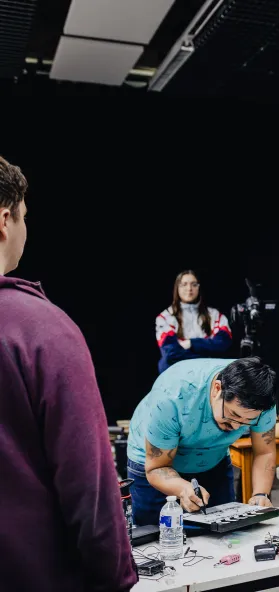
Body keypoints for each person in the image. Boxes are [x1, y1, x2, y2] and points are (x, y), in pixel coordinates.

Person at [0, 155, 138, 591]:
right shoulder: (40, 329)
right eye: (26, 217)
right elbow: (90, 486)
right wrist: (115, 577)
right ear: (5, 219)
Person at [126, 357, 278, 527]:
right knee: (155, 541)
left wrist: (260, 495)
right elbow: (156, 468)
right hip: (154, 463)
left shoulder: (262, 399)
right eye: (233, 415)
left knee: (226, 534)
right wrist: (182, 488)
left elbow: (265, 452)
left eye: (247, 422)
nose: (236, 427)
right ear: (217, 389)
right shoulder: (172, 397)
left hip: (212, 459)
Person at [155, 269, 232, 374]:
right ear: (177, 288)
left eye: (194, 284)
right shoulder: (165, 317)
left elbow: (223, 344)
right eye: (184, 284)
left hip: (209, 374)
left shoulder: (215, 315)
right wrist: (207, 351)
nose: (189, 288)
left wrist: (191, 343)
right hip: (178, 374)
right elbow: (171, 354)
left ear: (199, 287)